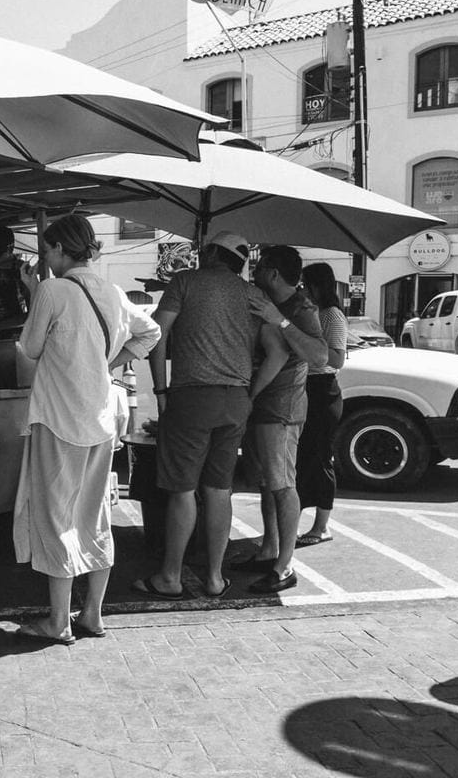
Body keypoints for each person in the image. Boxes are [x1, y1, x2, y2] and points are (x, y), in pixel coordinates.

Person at [12, 215, 160, 643]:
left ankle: (58, 621)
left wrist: (32, 294)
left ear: (60, 249)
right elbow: (150, 332)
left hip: (59, 420)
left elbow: (31, 348)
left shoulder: (51, 290)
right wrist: (109, 364)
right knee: (95, 515)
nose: (46, 258)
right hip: (100, 420)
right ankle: (92, 614)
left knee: (55, 516)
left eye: (48, 249)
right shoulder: (112, 292)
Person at [131, 231, 287, 601]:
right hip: (235, 401)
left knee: (183, 490)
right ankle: (216, 579)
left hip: (190, 397)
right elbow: (278, 353)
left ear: (214, 253)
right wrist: (249, 392)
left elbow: (156, 336)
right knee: (220, 490)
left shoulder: (185, 282)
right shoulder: (253, 295)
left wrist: (160, 391)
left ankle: (170, 577)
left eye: (204, 250)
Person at [237, 245, 329, 595]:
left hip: (282, 409)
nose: (254, 273)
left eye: (259, 267)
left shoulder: (301, 308)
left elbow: (321, 356)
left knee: (281, 484)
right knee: (266, 483)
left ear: (274, 273)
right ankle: (269, 549)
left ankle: (284, 565)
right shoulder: (268, 301)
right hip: (263, 406)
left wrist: (280, 320)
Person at [296, 262, 347, 547]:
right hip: (309, 389)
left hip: (323, 390)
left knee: (320, 459)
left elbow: (337, 359)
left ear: (318, 285)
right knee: (305, 458)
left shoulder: (331, 315)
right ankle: (300, 520)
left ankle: (321, 526)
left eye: (305, 283)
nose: (302, 288)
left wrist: (310, 350)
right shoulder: (314, 313)